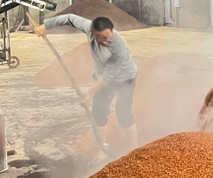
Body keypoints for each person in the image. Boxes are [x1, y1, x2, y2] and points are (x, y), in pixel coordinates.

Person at [34, 15, 139, 151]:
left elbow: (109, 76)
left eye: (109, 36)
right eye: (102, 38)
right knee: (98, 114)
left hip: (125, 79)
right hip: (102, 77)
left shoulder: (119, 46)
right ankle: (102, 149)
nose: (107, 40)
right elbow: (69, 18)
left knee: (123, 114)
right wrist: (46, 26)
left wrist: (90, 93)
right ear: (93, 34)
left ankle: (134, 148)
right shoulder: (88, 27)